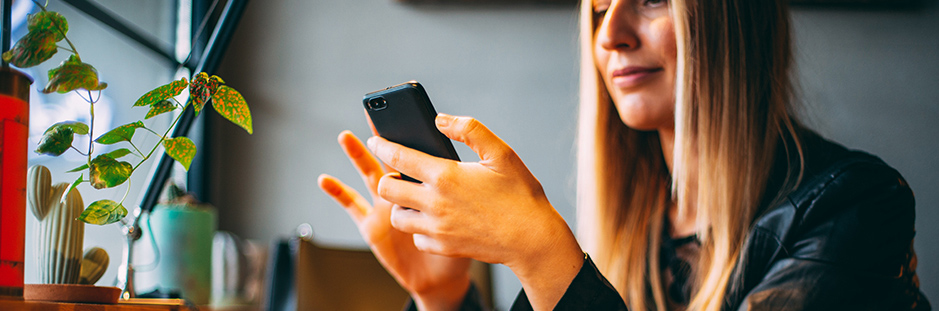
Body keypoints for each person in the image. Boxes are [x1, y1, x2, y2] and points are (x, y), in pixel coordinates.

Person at [317, 0, 930, 310]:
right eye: (602, 8)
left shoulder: (854, 209)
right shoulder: (636, 229)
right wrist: (445, 299)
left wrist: (546, 259)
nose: (608, 36)